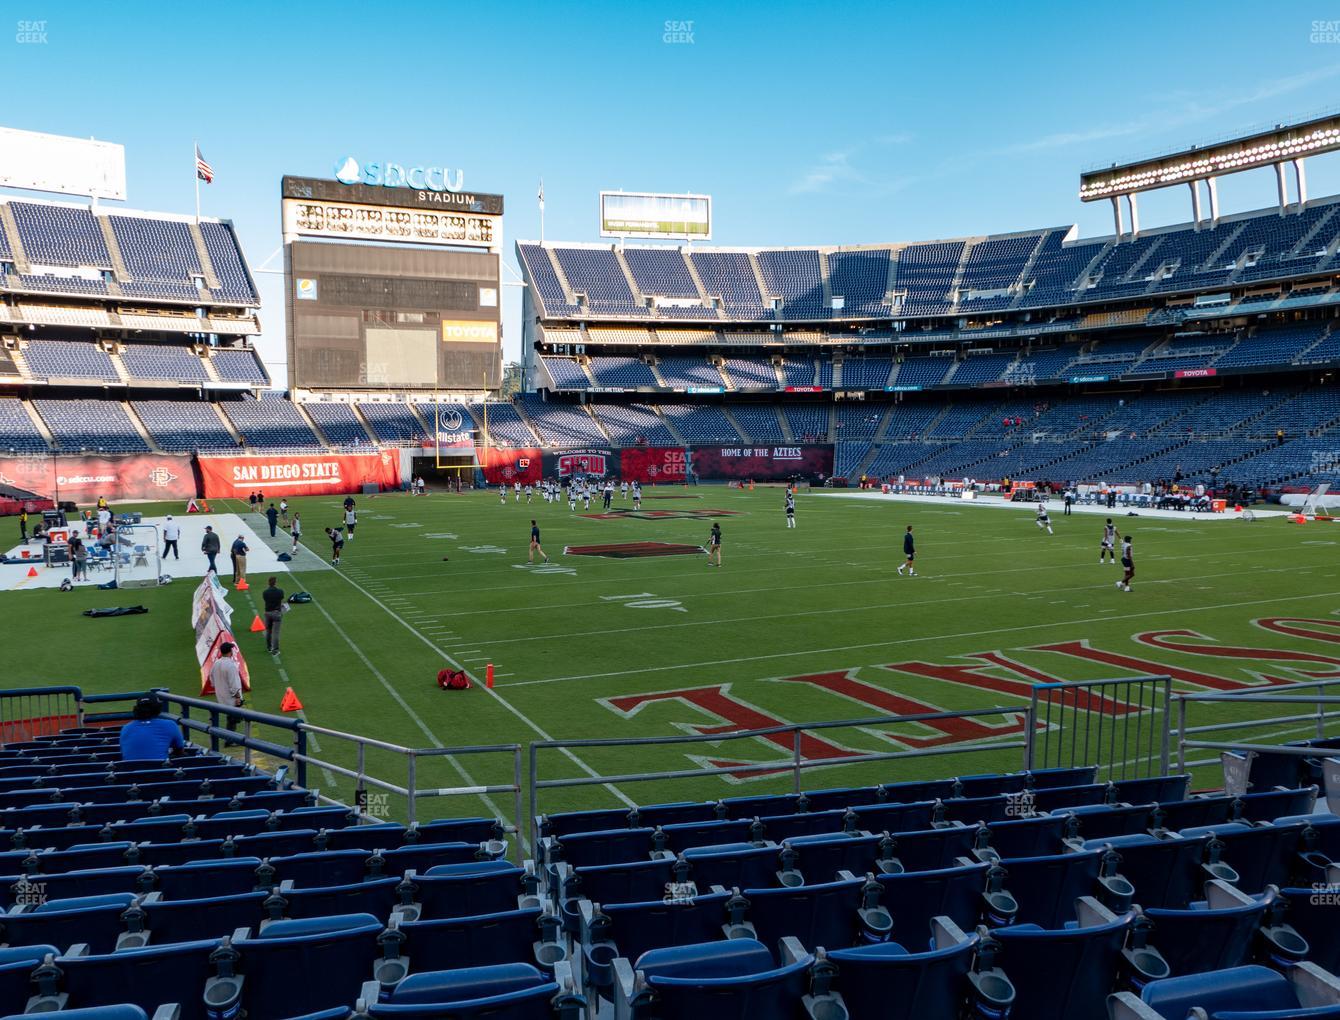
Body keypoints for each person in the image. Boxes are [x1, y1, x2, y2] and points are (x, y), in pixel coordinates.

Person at [119, 696, 184, 761]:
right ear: (158, 708)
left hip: (130, 770)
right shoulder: (170, 725)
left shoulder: (126, 728)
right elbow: (179, 751)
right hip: (160, 770)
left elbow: (125, 753)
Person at [210, 641, 244, 730]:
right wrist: (238, 697)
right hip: (231, 698)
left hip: (220, 696)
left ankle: (229, 739)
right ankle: (229, 740)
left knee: (230, 718)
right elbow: (234, 685)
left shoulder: (216, 664)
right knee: (233, 719)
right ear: (230, 652)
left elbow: (211, 679)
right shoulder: (231, 665)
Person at [262, 576, 285, 655]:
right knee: (276, 633)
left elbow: (265, 600)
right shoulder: (280, 591)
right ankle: (275, 650)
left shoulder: (265, 592)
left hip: (268, 613)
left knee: (268, 631)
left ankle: (269, 647)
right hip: (276, 613)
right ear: (275, 583)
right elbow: (281, 599)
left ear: (269, 583)